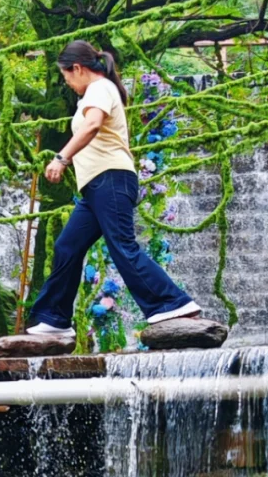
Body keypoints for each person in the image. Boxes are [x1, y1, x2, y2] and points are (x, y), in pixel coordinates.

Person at [25, 42, 200, 349]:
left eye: (66, 75)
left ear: (77, 68)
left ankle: (172, 303)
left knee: (122, 246)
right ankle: (54, 320)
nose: (67, 82)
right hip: (95, 187)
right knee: (67, 247)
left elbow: (92, 125)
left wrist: (61, 158)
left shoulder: (99, 88)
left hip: (112, 179)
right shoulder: (94, 93)